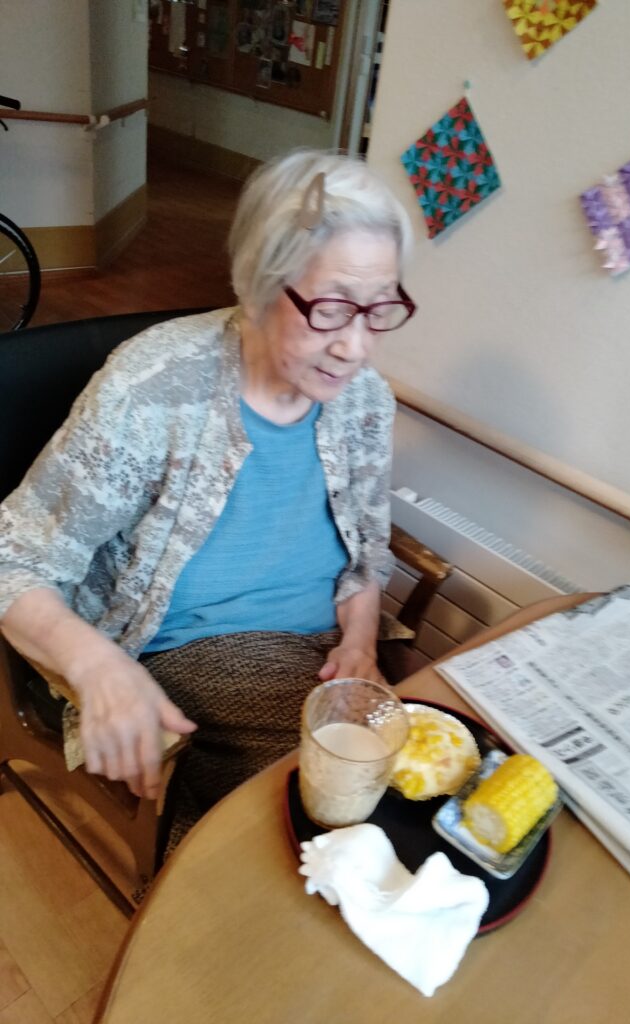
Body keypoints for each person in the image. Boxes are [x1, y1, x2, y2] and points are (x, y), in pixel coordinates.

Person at [0, 150, 416, 849]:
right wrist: (98, 667)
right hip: (204, 651)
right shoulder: (154, 388)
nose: (356, 348)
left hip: (329, 654)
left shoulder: (365, 400)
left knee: (432, 797)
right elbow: (12, 558)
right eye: (331, 308)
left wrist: (360, 642)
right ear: (258, 286)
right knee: (318, 834)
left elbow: (367, 550)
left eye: (379, 310)